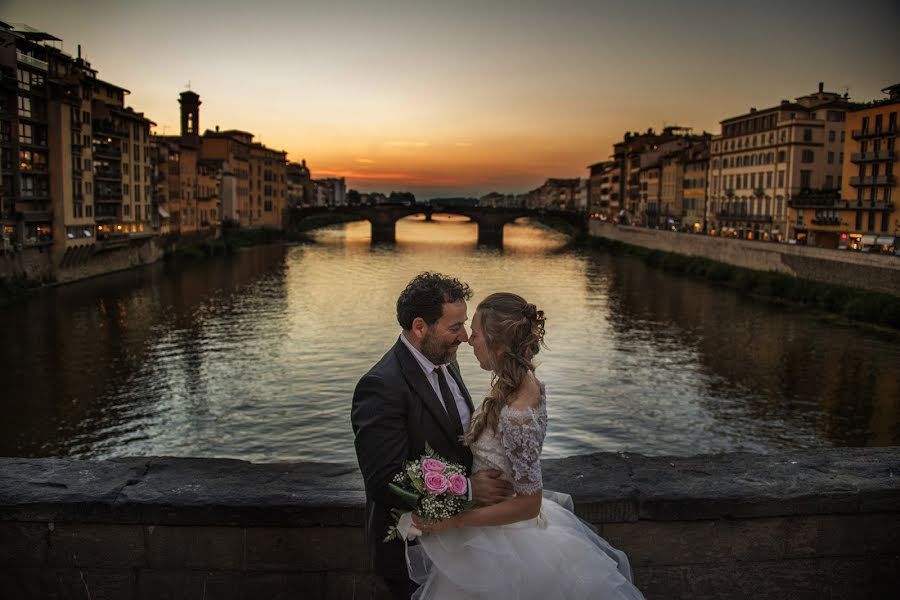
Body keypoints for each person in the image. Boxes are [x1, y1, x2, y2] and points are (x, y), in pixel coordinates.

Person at [407, 292, 645, 600]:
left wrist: (454, 521)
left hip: (504, 542)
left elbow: (529, 503)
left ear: (498, 344)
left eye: (476, 334)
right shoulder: (516, 383)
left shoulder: (518, 411)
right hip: (492, 529)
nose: (469, 340)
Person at [351, 273, 514, 600]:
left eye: (464, 325)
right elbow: (384, 479)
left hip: (462, 539)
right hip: (414, 550)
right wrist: (469, 489)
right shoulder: (381, 387)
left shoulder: (445, 363)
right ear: (420, 327)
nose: (465, 337)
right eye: (454, 328)